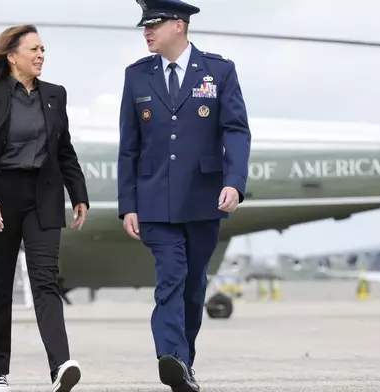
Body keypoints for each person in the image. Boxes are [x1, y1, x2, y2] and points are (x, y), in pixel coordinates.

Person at [117, 1, 251, 391]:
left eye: (154, 24)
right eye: (145, 26)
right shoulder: (136, 76)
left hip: (204, 197)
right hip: (154, 200)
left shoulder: (218, 70)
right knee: (170, 281)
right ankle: (170, 357)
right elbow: (129, 146)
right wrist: (128, 204)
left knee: (193, 288)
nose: (147, 32)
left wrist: (234, 181)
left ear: (179, 25)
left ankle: (183, 364)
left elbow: (236, 131)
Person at [0, 24, 89, 392]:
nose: (41, 55)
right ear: (13, 56)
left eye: (43, 49)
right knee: (0, 284)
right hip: (1, 195)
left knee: (46, 280)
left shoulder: (55, 95)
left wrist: (79, 194)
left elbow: (65, 150)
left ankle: (61, 366)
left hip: (43, 194)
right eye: (34, 49)